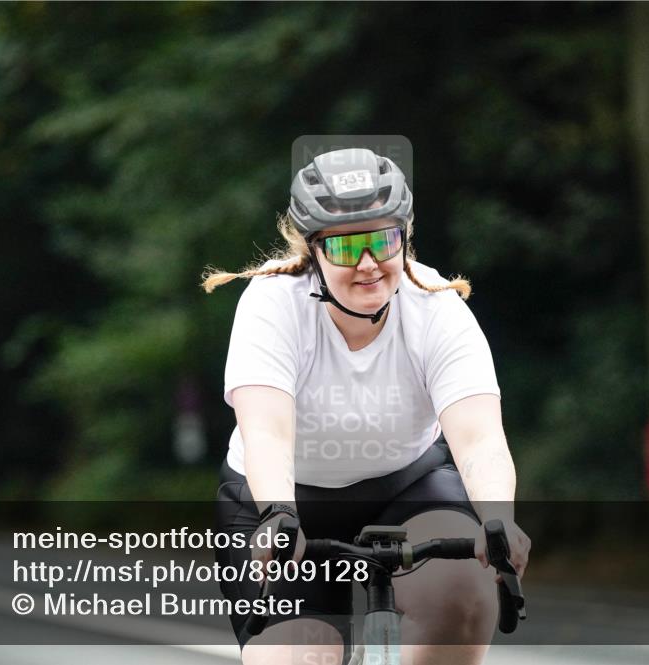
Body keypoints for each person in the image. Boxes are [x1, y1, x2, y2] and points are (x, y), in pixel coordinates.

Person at [202, 148, 530, 665]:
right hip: (283, 503)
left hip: (407, 485)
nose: (368, 263)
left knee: (463, 594)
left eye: (383, 239)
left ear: (405, 237)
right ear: (313, 251)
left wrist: (497, 518)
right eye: (345, 246)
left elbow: (480, 438)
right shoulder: (272, 303)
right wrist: (277, 514)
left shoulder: (437, 308)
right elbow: (266, 433)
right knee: (300, 656)